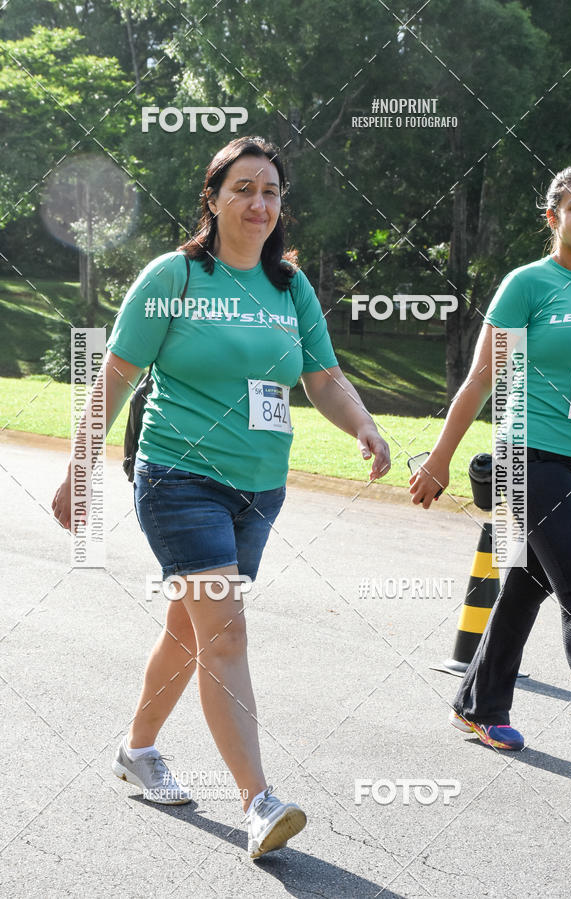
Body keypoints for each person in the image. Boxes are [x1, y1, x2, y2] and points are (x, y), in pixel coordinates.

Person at [52, 136, 390, 857]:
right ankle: (259, 801)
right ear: (212, 197)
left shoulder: (289, 287)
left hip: (261, 488)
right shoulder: (174, 276)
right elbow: (112, 376)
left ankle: (137, 749)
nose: (259, 203)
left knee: (192, 628)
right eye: (244, 189)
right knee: (226, 632)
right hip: (180, 477)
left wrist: (362, 423)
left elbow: (323, 377)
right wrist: (79, 471)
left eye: (271, 191)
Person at [409, 162, 571, 752]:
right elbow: (478, 382)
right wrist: (439, 460)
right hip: (528, 458)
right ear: (554, 216)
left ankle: (478, 704)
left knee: (527, 583)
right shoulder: (529, 285)